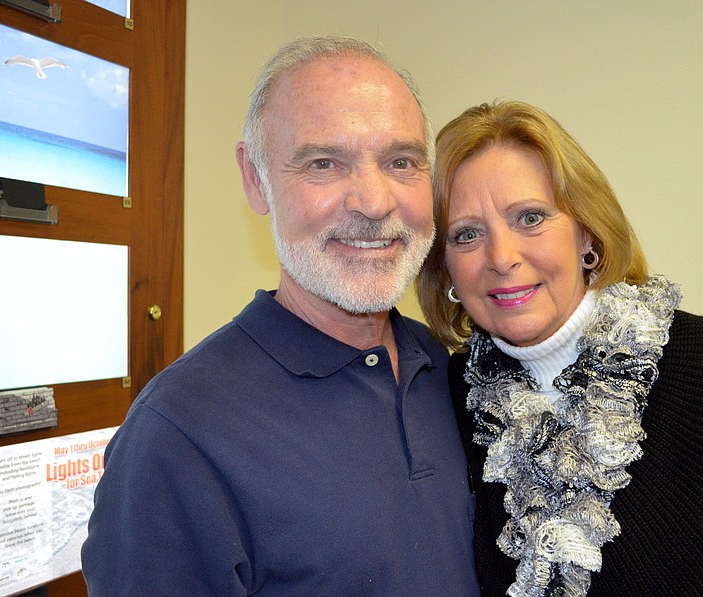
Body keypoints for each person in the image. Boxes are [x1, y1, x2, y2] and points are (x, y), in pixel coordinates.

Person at [81, 36, 480, 596]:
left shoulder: (447, 371)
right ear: (255, 177)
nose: (374, 201)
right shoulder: (177, 435)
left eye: (401, 161)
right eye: (323, 163)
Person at [417, 100, 703, 596]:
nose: (502, 257)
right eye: (467, 235)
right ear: (445, 268)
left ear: (587, 233)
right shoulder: (446, 402)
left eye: (530, 218)